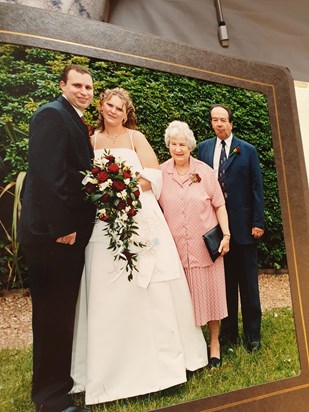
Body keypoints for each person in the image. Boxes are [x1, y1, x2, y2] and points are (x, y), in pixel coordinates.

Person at [70, 87, 208, 406]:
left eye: (120, 107)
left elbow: (154, 176)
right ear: (102, 107)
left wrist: (124, 190)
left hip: (140, 216)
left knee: (154, 285)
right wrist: (105, 193)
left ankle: (164, 367)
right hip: (105, 222)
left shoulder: (136, 138)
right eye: (109, 105)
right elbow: (86, 177)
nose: (114, 111)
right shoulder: (90, 141)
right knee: (109, 289)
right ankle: (111, 370)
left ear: (126, 111)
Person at [18, 65, 96, 412]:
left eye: (89, 87)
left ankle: (59, 387)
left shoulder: (74, 118)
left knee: (61, 314)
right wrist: (63, 227)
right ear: (62, 85)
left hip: (64, 236)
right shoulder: (51, 115)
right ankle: (50, 400)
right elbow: (49, 177)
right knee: (52, 315)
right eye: (77, 84)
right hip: (53, 238)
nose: (84, 91)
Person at [158, 120, 230, 368]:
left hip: (204, 250)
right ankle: (187, 350)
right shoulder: (161, 174)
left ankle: (214, 345)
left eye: (183, 144)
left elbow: (219, 205)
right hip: (176, 252)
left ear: (190, 146)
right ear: (168, 146)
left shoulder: (204, 172)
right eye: (174, 144)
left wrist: (227, 236)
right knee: (182, 304)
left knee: (210, 298)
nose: (178, 149)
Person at [198, 104, 264, 352]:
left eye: (223, 120)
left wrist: (257, 222)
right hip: (215, 229)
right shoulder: (204, 149)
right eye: (214, 120)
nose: (219, 124)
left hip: (244, 229)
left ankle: (253, 336)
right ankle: (227, 336)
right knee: (223, 285)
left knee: (248, 285)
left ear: (231, 123)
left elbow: (257, 188)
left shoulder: (247, 151)